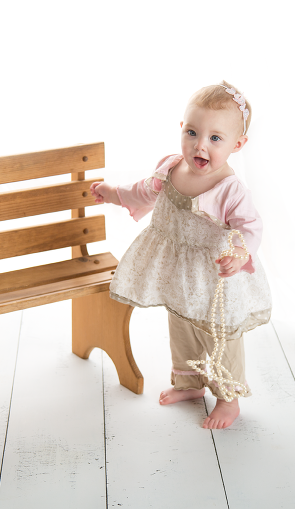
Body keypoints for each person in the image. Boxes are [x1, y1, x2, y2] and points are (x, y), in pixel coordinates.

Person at [90, 81, 272, 429]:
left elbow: (250, 226)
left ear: (238, 144)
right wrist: (112, 193)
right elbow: (142, 191)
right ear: (182, 129)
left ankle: (227, 398)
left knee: (218, 334)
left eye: (215, 138)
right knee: (182, 323)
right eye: (192, 132)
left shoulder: (229, 189)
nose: (200, 145)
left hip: (216, 276)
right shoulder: (172, 168)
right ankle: (189, 383)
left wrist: (238, 252)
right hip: (179, 271)